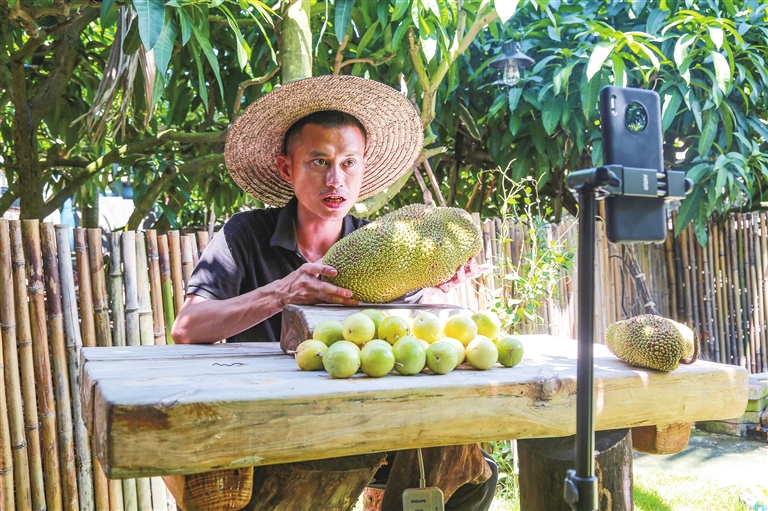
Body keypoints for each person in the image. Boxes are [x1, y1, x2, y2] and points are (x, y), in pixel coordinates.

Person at [172, 74, 497, 510]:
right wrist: (282, 292)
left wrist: (438, 290)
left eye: (349, 163)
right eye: (319, 162)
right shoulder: (246, 234)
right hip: (270, 427)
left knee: (473, 471)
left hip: (363, 423)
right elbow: (187, 327)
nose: (335, 180)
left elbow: (413, 326)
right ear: (287, 168)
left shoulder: (384, 242)